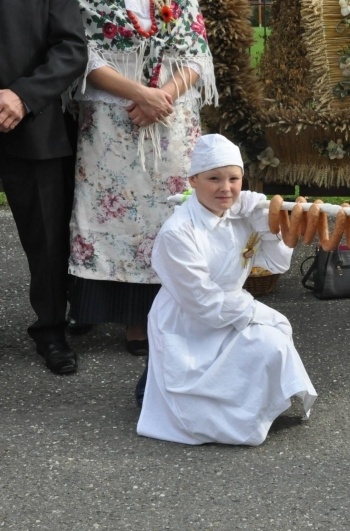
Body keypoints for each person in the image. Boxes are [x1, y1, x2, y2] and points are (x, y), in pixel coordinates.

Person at [136, 134, 317, 445]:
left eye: (234, 178)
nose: (226, 188)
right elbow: (203, 302)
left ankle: (251, 406)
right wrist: (259, 312)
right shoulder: (178, 233)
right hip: (189, 318)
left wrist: (268, 227)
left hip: (231, 308)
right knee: (186, 394)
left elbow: (276, 265)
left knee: (271, 345)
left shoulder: (243, 214)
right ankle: (161, 392)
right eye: (214, 179)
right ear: (193, 180)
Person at [68, 0, 217, 356]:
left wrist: (161, 97)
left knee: (167, 216)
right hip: (110, 120)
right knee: (114, 217)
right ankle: (126, 316)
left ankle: (169, 316)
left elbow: (197, 53)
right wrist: (140, 94)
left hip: (171, 118)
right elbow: (83, 54)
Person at [0, 0, 88, 375]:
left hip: (33, 124)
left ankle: (51, 330)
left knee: (48, 239)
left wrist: (23, 96)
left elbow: (71, 48)